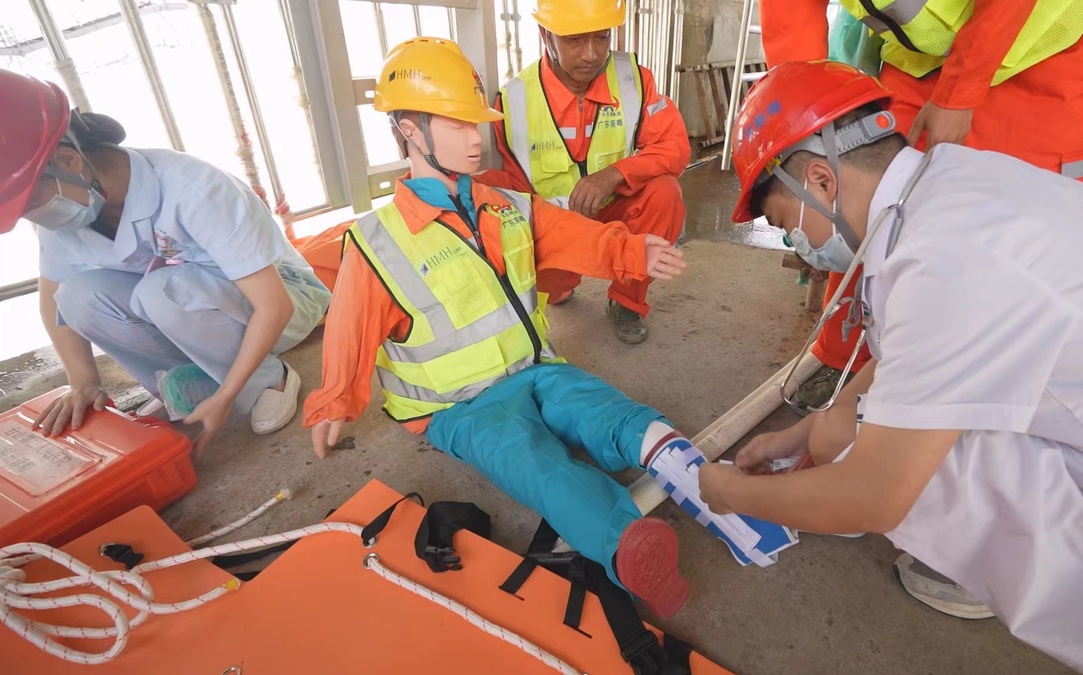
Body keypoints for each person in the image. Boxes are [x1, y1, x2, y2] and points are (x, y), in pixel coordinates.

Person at [699, 61, 1083, 674]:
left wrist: (732, 491)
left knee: (890, 461)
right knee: (841, 429)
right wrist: (799, 433)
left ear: (822, 181)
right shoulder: (947, 185)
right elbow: (905, 356)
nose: (796, 244)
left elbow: (874, 498)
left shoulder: (944, 261)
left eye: (784, 224)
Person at [302, 37, 707, 616]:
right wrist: (335, 399)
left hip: (534, 367)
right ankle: (627, 545)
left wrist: (631, 253)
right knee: (534, 465)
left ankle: (671, 454)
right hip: (458, 407)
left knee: (598, 404)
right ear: (410, 131)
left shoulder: (506, 205)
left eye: (478, 124)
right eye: (458, 125)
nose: (476, 139)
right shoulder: (377, 244)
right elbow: (350, 327)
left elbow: (573, 235)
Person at [757, 0, 1083, 404]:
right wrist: (804, 129)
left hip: (1051, 47)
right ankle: (850, 361)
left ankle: (974, 397)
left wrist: (960, 92)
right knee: (875, 203)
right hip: (921, 54)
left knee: (1006, 251)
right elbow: (789, 12)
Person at [0, 69, 330, 450]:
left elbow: (274, 306)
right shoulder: (66, 213)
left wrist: (229, 397)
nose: (33, 217)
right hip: (198, 314)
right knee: (79, 296)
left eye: (29, 202)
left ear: (69, 161)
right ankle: (192, 374)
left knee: (160, 290)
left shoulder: (193, 188)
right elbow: (52, 296)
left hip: (281, 301)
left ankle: (269, 379)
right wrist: (83, 380)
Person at [480, 0, 690, 344]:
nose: (591, 54)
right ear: (545, 34)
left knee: (664, 192)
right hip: (556, 223)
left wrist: (614, 175)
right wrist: (558, 228)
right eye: (575, 40)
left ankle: (626, 300)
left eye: (602, 37)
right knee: (541, 277)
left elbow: (674, 147)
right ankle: (559, 286)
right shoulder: (514, 101)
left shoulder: (633, 79)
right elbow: (512, 195)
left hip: (613, 207)